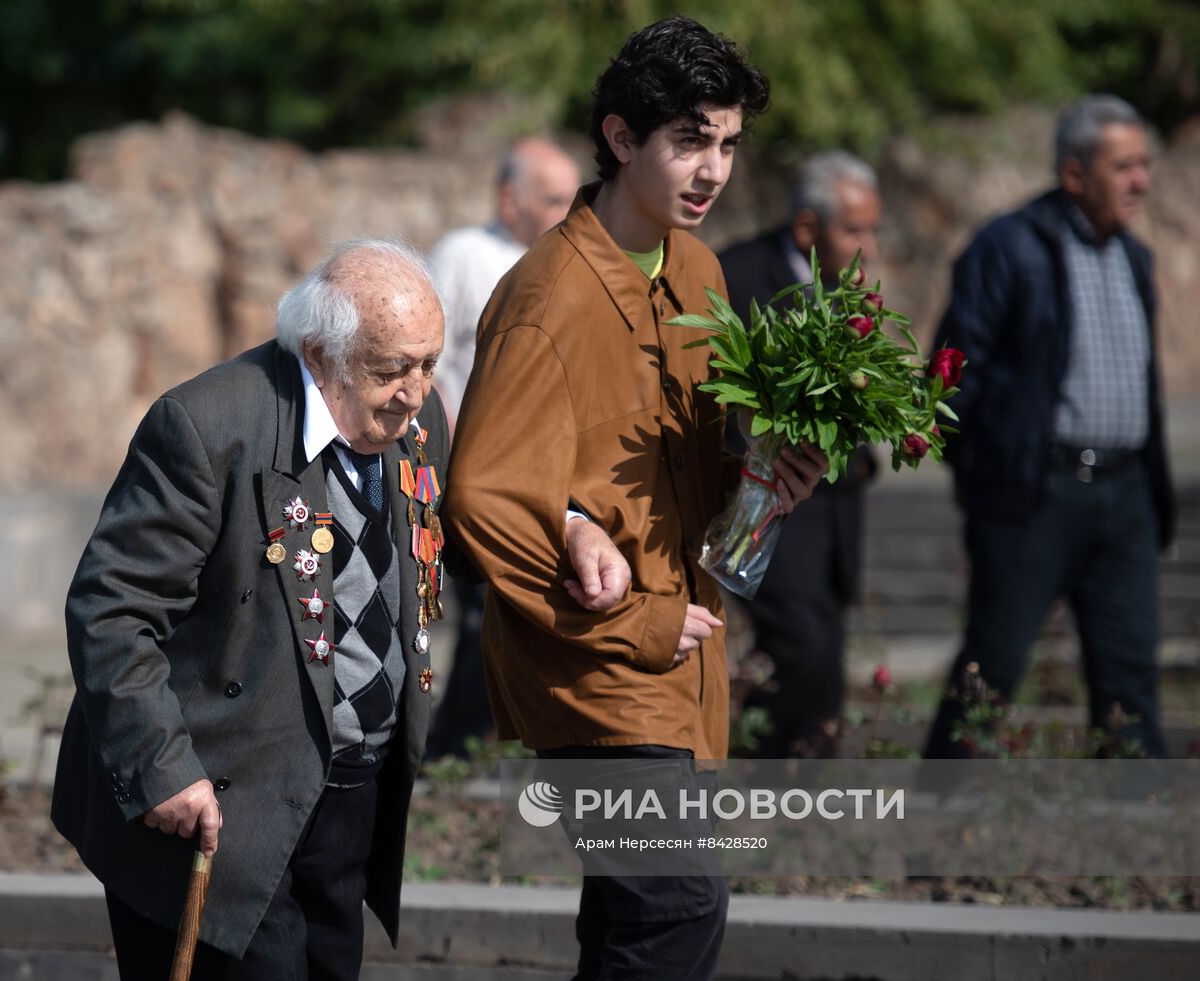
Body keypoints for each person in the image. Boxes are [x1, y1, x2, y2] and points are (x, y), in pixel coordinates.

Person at [445, 16, 828, 979]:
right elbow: (485, 498)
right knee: (678, 900)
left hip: (686, 655)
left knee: (633, 917)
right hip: (594, 663)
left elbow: (703, 461)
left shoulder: (700, 271)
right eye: (689, 139)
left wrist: (771, 477)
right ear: (620, 138)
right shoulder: (546, 298)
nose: (714, 170)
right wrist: (631, 613)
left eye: (729, 144)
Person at [52, 240, 452, 980]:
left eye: (429, 362)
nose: (416, 391)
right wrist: (162, 767)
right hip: (219, 802)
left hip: (345, 802)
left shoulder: (420, 427)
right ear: (319, 352)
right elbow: (112, 608)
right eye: (392, 367)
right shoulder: (207, 426)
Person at [923, 95, 1175, 759]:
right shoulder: (1007, 247)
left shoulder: (1136, 258)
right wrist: (986, 484)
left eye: (1144, 164)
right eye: (1123, 167)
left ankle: (1137, 839)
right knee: (991, 669)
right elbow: (948, 378)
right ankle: (939, 832)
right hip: (1034, 495)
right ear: (1073, 174)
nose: (1141, 181)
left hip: (1124, 500)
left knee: (1131, 680)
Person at [716, 151, 882, 757]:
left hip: (834, 507)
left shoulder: (849, 293)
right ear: (808, 228)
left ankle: (810, 772)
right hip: (768, 503)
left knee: (825, 646)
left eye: (871, 230)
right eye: (854, 230)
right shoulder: (736, 274)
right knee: (798, 642)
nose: (867, 246)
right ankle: (770, 767)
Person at [425, 137, 582, 760]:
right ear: (507, 197)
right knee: (482, 614)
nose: (566, 211)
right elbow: (428, 365)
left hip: (552, 480)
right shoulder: (465, 255)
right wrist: (460, 455)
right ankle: (449, 754)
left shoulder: (572, 264)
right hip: (476, 476)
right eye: (552, 198)